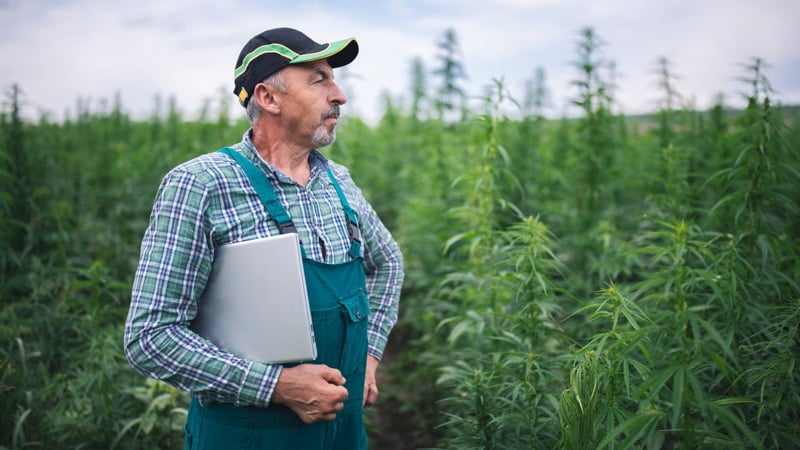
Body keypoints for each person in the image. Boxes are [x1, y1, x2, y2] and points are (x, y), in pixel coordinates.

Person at [124, 27, 404, 449]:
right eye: (319, 79)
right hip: (247, 435)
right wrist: (277, 385)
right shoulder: (201, 185)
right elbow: (150, 337)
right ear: (268, 98)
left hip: (342, 432)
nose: (340, 95)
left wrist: (369, 353)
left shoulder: (338, 182)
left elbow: (388, 263)